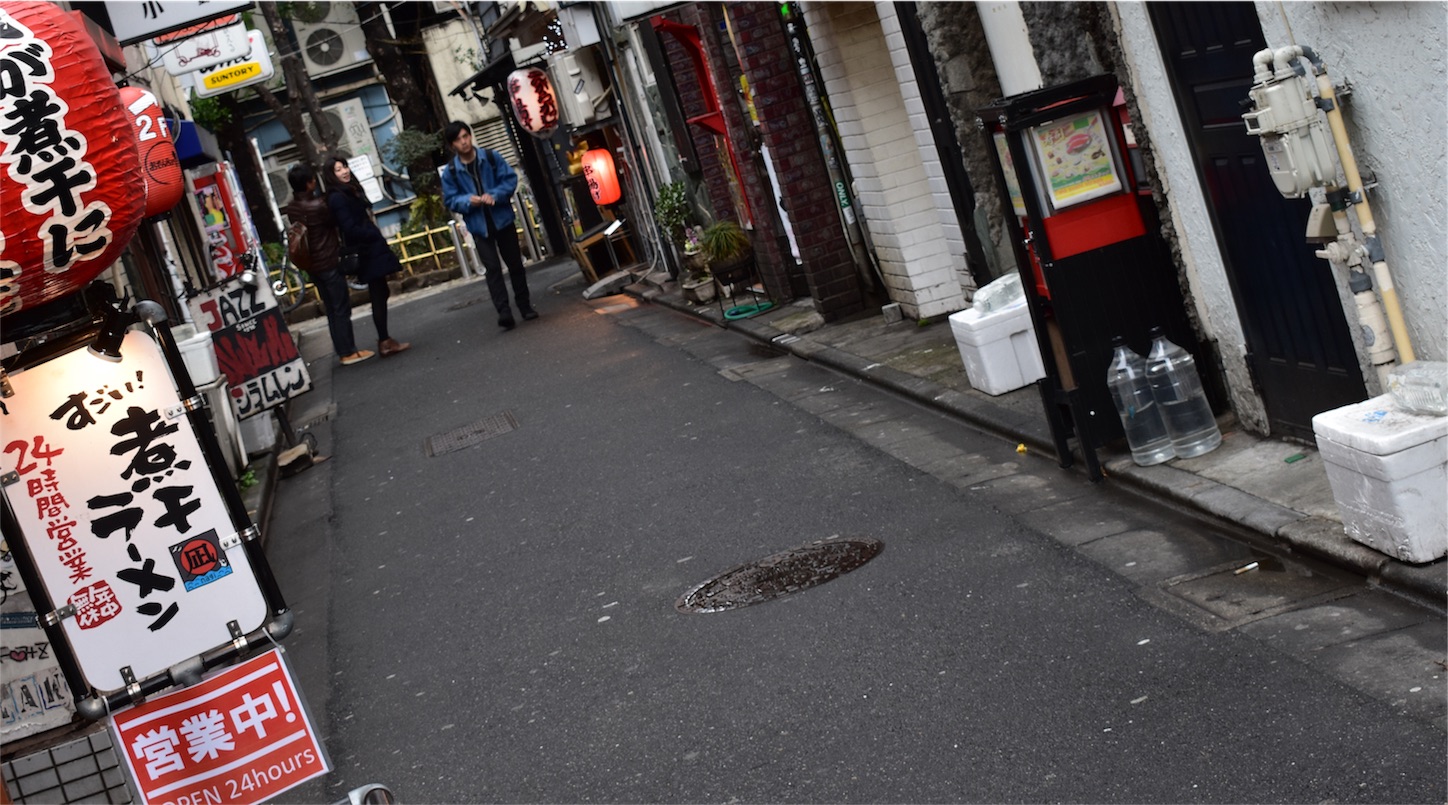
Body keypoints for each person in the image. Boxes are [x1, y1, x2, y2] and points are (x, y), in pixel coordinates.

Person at [440, 120, 535, 330]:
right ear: (452, 145)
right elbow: (450, 200)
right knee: (492, 268)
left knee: (515, 264)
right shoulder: (451, 172)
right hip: (478, 226)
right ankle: (504, 312)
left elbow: (510, 180)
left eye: (466, 136)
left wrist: (495, 195)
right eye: (458, 139)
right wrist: (468, 201)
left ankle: (525, 306)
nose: (464, 142)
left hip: (502, 218)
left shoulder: (491, 157)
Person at [281, 164, 374, 366]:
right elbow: (335, 221)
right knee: (341, 308)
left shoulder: (292, 207)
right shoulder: (318, 206)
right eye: (313, 179)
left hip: (313, 266)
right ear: (308, 183)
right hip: (329, 262)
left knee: (332, 310)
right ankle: (348, 352)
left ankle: (343, 351)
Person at [323, 155, 411, 358]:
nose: (344, 171)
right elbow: (349, 228)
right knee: (378, 293)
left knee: (381, 292)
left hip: (370, 248)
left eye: (344, 166)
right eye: (338, 169)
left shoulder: (348, 191)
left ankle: (385, 340)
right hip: (366, 250)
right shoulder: (337, 197)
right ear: (330, 174)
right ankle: (385, 341)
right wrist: (371, 234)